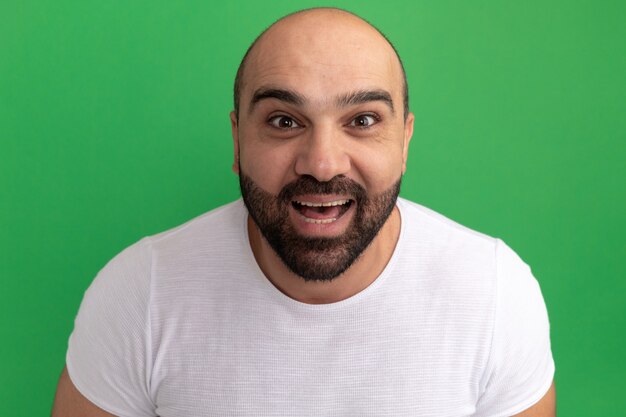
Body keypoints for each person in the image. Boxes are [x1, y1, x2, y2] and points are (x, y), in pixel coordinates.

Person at [52, 7, 555, 417]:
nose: (321, 163)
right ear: (237, 139)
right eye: (284, 120)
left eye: (361, 119)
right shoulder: (140, 293)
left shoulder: (494, 293)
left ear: (404, 141)